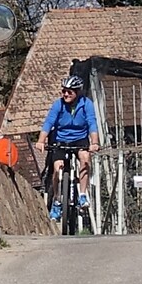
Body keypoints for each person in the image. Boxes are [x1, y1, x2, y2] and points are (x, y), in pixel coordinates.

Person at [38, 74, 98, 221]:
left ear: (77, 92)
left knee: (85, 158)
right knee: (58, 168)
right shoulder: (58, 105)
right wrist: (41, 140)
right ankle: (57, 201)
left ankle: (82, 195)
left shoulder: (87, 104)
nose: (65, 94)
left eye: (69, 91)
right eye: (64, 91)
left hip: (79, 138)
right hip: (60, 139)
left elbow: (92, 123)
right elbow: (49, 122)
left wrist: (95, 142)